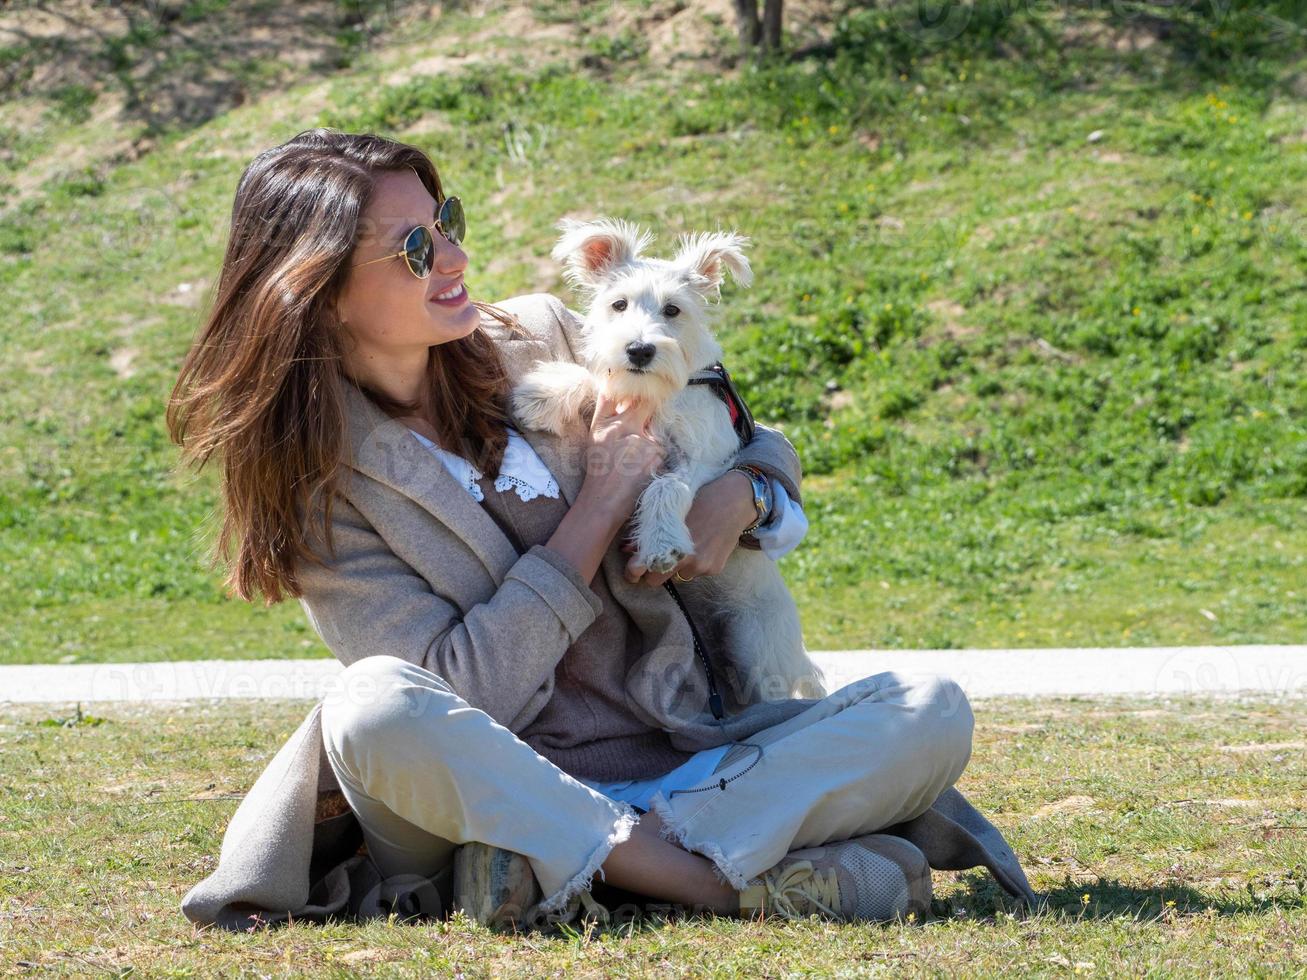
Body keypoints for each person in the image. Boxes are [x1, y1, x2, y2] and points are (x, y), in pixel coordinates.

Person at [169, 128, 1034, 931]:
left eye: (448, 222)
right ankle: (711, 880)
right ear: (317, 288)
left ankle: (570, 863)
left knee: (930, 708)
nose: (457, 257)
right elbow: (462, 695)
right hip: (484, 786)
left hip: (685, 761)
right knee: (368, 706)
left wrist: (744, 497)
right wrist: (596, 509)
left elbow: (732, 421)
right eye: (414, 247)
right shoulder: (318, 486)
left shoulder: (541, 333)